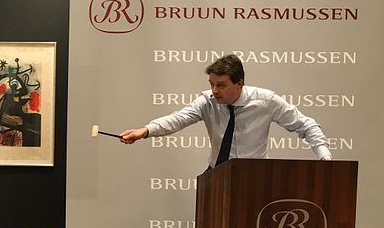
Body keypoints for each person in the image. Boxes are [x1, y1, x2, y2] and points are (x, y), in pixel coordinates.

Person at [119, 54, 332, 166]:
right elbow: (178, 119)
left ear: (239, 83)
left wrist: (325, 158)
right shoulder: (207, 101)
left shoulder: (266, 101)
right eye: (212, 83)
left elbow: (306, 125)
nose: (214, 90)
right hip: (217, 175)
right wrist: (146, 131)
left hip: (256, 176)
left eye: (221, 85)